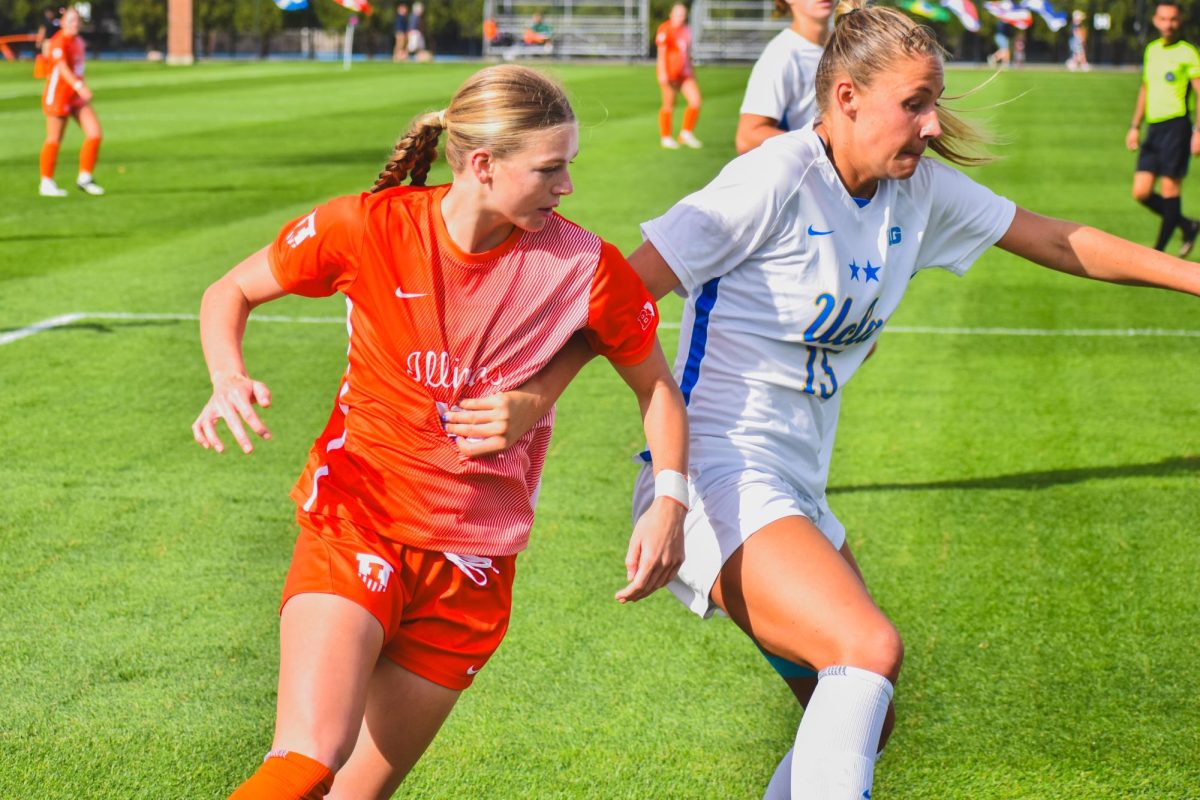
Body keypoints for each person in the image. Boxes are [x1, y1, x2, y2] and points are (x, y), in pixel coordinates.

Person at [450, 4, 1200, 797]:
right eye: (913, 103)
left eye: (934, 101)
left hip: (796, 486)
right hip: (716, 472)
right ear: (845, 97)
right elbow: (624, 294)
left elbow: (1057, 240)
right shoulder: (774, 178)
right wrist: (534, 396)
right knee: (866, 649)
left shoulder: (920, 190)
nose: (932, 122)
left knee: (864, 714)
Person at [192, 65, 689, 800]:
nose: (568, 188)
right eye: (551, 169)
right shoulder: (369, 225)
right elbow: (229, 290)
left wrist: (669, 501)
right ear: (483, 165)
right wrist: (227, 376)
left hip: (472, 568)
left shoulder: (585, 267)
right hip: (356, 522)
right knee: (307, 760)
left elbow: (658, 392)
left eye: (569, 167)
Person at [1126, 1, 1200, 256]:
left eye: (1174, 20)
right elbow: (1145, 89)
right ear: (1156, 21)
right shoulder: (1152, 50)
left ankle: (1156, 252)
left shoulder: (1188, 53)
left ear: (1180, 22)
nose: (1168, 24)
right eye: (1164, 19)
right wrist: (1135, 126)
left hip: (1176, 127)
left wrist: (1198, 132)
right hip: (1154, 129)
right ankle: (1187, 225)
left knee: (1170, 191)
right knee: (1141, 191)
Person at [736, 0, 832, 154]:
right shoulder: (781, 54)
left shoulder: (843, 45)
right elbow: (747, 137)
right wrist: (820, 144)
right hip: (807, 173)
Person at [39, 7, 103, 198]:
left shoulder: (79, 42)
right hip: (59, 94)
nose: (74, 24)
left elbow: (77, 69)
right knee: (54, 138)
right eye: (71, 20)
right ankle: (46, 181)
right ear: (64, 22)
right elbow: (62, 67)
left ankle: (85, 177)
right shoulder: (60, 41)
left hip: (75, 96)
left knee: (94, 133)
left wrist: (79, 87)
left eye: (77, 20)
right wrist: (79, 86)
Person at [655, 3, 702, 149]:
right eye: (678, 14)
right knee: (669, 105)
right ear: (671, 14)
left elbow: (687, 53)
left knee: (696, 101)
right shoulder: (665, 29)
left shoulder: (686, 30)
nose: (681, 17)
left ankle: (686, 133)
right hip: (671, 73)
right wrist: (662, 73)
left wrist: (692, 70)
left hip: (685, 73)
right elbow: (661, 54)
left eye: (683, 14)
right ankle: (666, 136)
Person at [32, 6, 60, 79]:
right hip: (47, 41)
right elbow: (42, 32)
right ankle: (48, 72)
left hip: (56, 41)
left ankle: (54, 72)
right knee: (47, 58)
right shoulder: (45, 23)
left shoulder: (57, 21)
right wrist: (39, 41)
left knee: (55, 58)